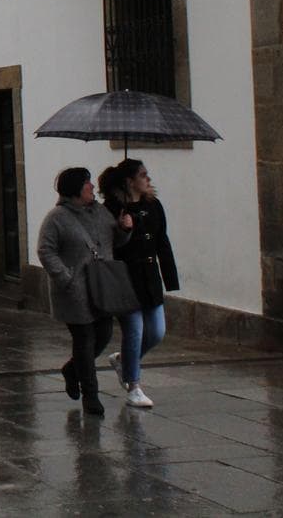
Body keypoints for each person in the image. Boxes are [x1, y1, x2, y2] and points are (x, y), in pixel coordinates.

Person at [37, 166, 133, 416]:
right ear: (75, 189)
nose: (92, 187)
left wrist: (124, 228)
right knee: (84, 341)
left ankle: (72, 369)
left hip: (101, 287)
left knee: (104, 334)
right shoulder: (56, 218)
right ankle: (91, 395)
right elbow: (45, 250)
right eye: (86, 183)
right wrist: (65, 277)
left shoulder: (100, 212)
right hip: (75, 291)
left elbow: (116, 241)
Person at [98, 159, 179, 409]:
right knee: (134, 331)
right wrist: (124, 229)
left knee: (156, 332)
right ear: (129, 181)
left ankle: (123, 361)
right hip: (125, 277)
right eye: (143, 175)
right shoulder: (112, 209)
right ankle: (133, 386)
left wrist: (170, 277)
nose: (148, 179)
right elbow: (108, 244)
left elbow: (162, 241)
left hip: (149, 276)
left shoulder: (153, 205)